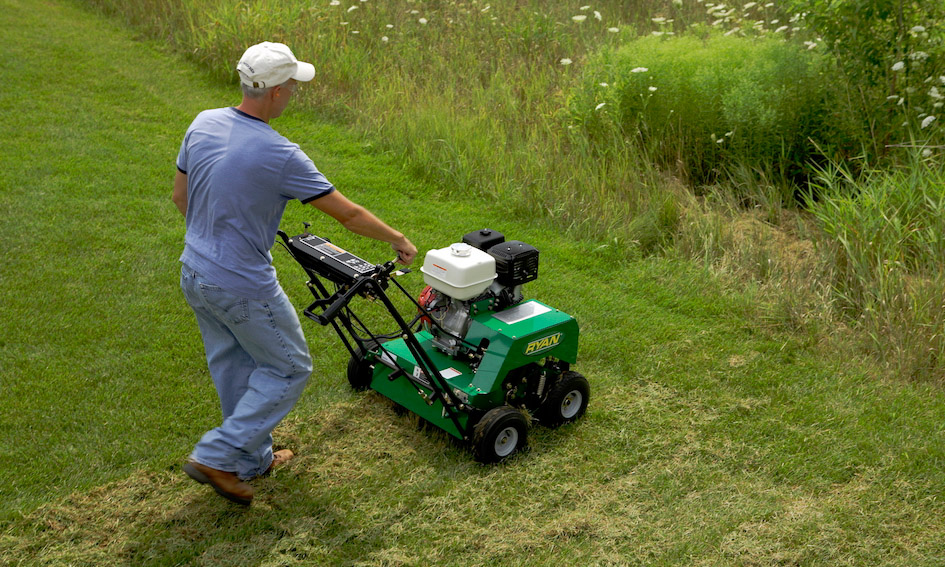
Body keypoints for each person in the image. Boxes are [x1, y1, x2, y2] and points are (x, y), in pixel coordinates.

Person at [172, 41, 417, 506]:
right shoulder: (280, 153)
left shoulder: (203, 122)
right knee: (289, 367)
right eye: (292, 88)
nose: (294, 95)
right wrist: (398, 240)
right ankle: (216, 454)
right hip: (242, 285)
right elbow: (348, 215)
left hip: (194, 271)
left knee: (235, 365)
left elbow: (181, 199)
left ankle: (249, 462)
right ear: (278, 92)